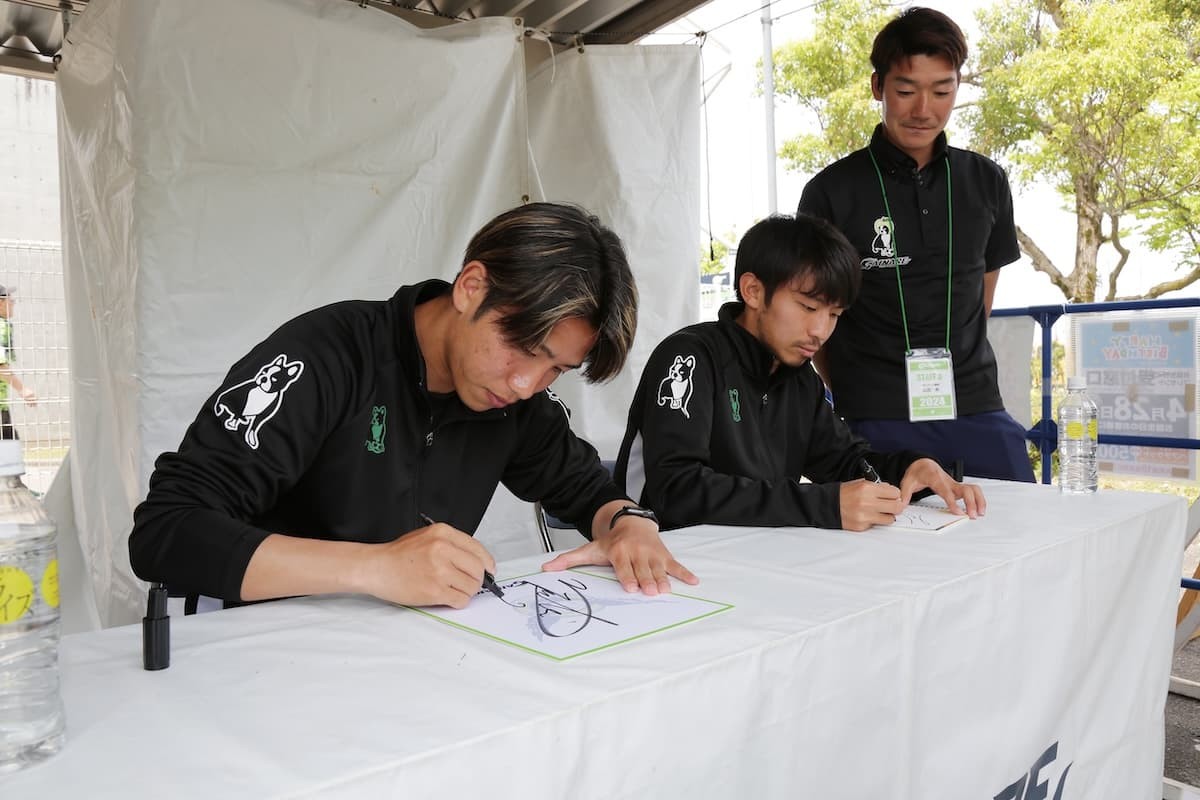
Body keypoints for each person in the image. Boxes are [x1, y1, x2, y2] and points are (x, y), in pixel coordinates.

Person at [129, 202, 697, 609]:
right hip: (262, 651)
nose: (527, 383)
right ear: (472, 287)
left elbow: (587, 491)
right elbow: (166, 532)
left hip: (410, 664)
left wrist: (628, 523)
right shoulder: (325, 357)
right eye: (524, 348)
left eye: (555, 369)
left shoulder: (516, 404)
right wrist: (374, 567)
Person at [615, 214, 984, 532]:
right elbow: (678, 493)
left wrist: (911, 469)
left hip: (759, 561)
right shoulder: (690, 358)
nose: (820, 331)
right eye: (808, 307)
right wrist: (825, 505)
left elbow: (844, 463)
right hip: (662, 562)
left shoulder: (801, 379)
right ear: (753, 291)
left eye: (835, 315)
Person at [796, 7, 1035, 482]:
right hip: (872, 415)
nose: (923, 109)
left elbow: (981, 297)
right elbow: (814, 309)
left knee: (1025, 529)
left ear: (957, 89)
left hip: (974, 406)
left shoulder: (986, 181)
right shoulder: (831, 191)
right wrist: (850, 391)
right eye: (905, 90)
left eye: (941, 90)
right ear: (877, 87)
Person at [0, 285, 37, 440]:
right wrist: (22, 389)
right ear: (1, 302)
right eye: (10, 299)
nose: (13, 303)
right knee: (10, 450)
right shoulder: (1, 326)